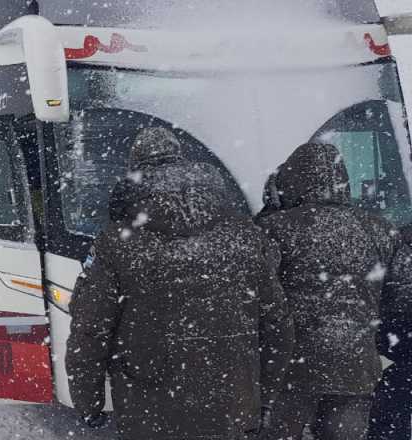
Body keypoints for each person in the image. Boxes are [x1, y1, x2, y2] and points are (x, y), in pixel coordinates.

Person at [68, 127, 294, 439]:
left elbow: (90, 330)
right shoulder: (247, 236)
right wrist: (262, 400)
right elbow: (277, 327)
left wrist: (88, 403)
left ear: (134, 173)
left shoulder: (116, 243)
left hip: (148, 410)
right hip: (231, 408)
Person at [257, 143, 402, 440]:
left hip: (291, 368)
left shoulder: (275, 228)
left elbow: (258, 291)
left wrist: (269, 209)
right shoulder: (380, 229)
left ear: (292, 180)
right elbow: (400, 296)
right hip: (355, 365)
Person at [368, 226, 412, 440]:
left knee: (392, 398)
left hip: (396, 330)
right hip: (400, 331)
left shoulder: (394, 242)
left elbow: (397, 295)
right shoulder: (397, 243)